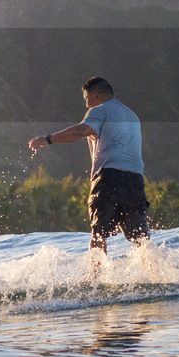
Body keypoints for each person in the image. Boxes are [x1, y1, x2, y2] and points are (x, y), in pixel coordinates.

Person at [28, 75, 150, 254]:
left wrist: (48, 139)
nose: (86, 105)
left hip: (110, 178)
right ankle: (157, 273)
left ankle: (95, 279)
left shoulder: (99, 110)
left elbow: (82, 130)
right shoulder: (132, 115)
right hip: (135, 180)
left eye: (87, 98)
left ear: (97, 94)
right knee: (140, 238)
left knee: (99, 233)